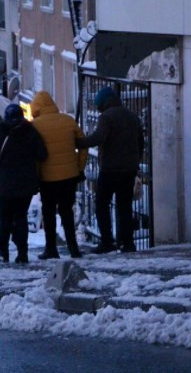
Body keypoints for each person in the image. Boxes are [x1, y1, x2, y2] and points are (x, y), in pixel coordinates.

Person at [76, 86, 144, 254]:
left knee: (101, 204)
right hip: (129, 169)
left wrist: (79, 142)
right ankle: (127, 242)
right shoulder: (132, 116)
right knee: (124, 206)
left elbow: (99, 137)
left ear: (103, 104)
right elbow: (141, 142)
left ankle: (107, 241)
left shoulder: (106, 118)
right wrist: (135, 162)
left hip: (110, 169)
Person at [0, 104, 47, 264]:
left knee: (5, 218)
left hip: (5, 184)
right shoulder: (31, 132)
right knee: (21, 217)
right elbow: (42, 154)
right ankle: (22, 253)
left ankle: (3, 253)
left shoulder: (1, 132)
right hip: (25, 184)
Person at [31, 91, 88, 259]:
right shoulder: (68, 121)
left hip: (47, 178)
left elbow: (34, 155)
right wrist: (79, 167)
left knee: (48, 213)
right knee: (67, 211)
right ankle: (73, 247)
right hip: (69, 176)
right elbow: (83, 145)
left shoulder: (35, 126)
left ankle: (51, 249)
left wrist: (36, 175)